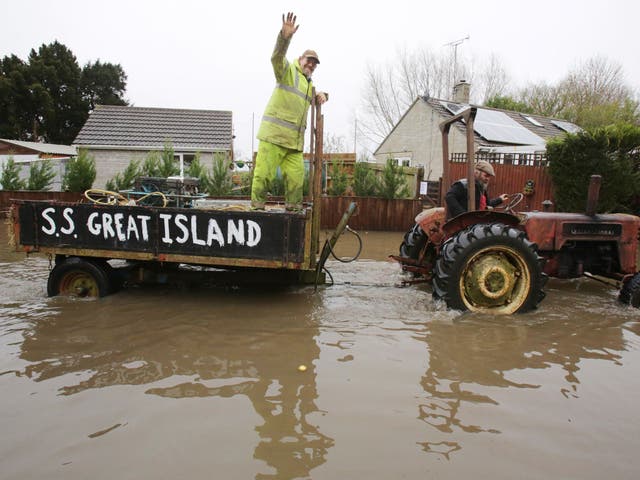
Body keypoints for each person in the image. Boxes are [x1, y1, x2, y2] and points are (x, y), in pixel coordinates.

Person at [251, 12, 328, 211]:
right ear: (300, 59)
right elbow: (276, 57)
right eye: (308, 60)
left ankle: (293, 216)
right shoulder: (288, 71)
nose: (311, 64)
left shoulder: (308, 84)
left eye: (314, 63)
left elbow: (313, 97)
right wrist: (285, 37)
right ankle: (256, 212)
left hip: (294, 145)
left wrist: (323, 95)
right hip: (273, 137)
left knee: (296, 179)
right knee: (263, 175)